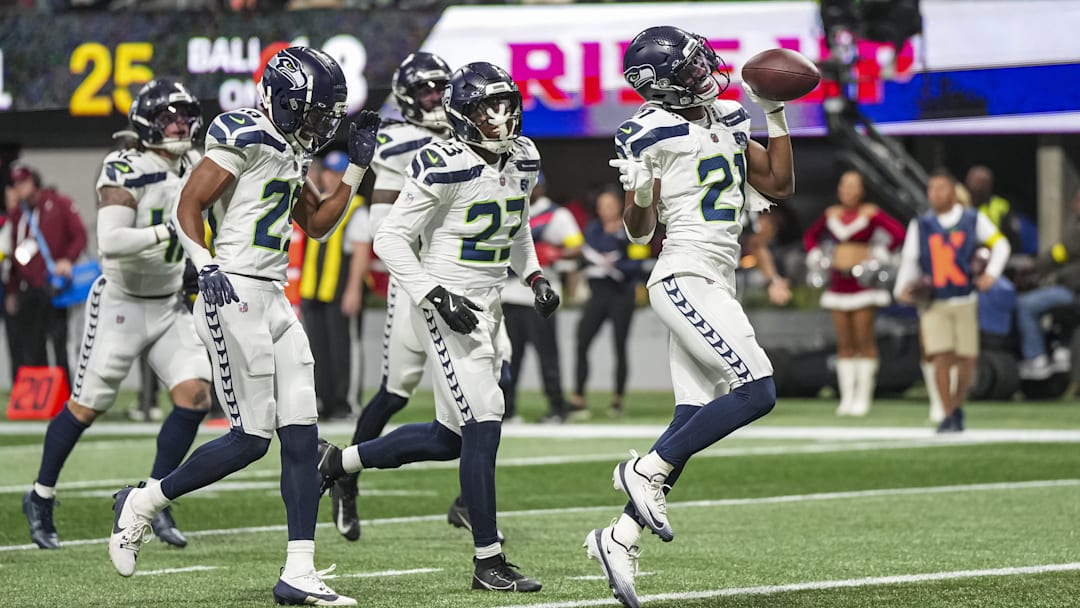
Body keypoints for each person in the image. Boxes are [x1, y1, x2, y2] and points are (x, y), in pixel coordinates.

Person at [106, 46, 379, 607]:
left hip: (274, 295)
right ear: (282, 98)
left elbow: (321, 225)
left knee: (302, 434)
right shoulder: (245, 133)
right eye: (314, 108)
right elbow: (189, 202)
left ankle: (297, 572)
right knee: (251, 440)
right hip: (232, 288)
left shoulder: (290, 146)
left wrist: (356, 167)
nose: (320, 121)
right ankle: (143, 502)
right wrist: (204, 263)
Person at [317, 61, 556, 593]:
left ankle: (337, 461)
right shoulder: (439, 160)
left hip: (489, 301)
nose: (499, 118)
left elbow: (514, 224)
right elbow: (388, 239)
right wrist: (434, 293)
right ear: (462, 116)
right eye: (484, 109)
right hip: (444, 300)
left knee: (450, 437)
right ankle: (488, 560)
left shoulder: (524, 156)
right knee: (485, 417)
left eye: (505, 105)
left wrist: (534, 273)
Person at [583, 26, 792, 608]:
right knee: (757, 390)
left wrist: (774, 112)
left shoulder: (726, 115)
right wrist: (643, 193)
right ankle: (644, 469)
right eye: (692, 69)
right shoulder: (645, 131)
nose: (706, 73)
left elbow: (778, 181)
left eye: (702, 63)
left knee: (693, 418)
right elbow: (638, 230)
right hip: (683, 273)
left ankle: (618, 537)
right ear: (662, 86)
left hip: (718, 278)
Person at [21, 81, 213, 551]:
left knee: (195, 395)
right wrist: (166, 231)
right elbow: (111, 241)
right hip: (121, 303)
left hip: (167, 301)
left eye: (184, 115)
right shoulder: (125, 166)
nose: (180, 125)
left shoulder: (191, 161)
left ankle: (150, 500)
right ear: (147, 122)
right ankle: (40, 495)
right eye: (169, 118)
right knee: (87, 406)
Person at [330, 51, 456, 542]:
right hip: (417, 283)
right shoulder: (400, 140)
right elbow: (382, 225)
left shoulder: (471, 135)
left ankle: (470, 504)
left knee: (498, 383)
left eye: (441, 89)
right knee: (395, 392)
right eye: (425, 90)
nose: (435, 99)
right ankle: (346, 477)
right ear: (406, 96)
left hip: (466, 284)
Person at [895, 170, 1010, 433]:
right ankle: (947, 411)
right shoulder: (921, 224)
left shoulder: (972, 219)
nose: (935, 194)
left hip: (964, 297)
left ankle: (957, 407)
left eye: (941, 188)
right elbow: (911, 260)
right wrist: (902, 288)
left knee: (967, 359)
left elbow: (1000, 245)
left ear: (954, 192)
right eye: (931, 189)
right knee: (941, 357)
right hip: (935, 301)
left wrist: (991, 274)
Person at [803, 170, 905, 416]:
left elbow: (899, 233)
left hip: (863, 284)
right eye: (844, 185)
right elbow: (810, 237)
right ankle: (846, 397)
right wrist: (817, 255)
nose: (848, 190)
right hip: (838, 283)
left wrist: (879, 254)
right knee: (844, 343)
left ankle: (864, 396)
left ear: (862, 190)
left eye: (853, 186)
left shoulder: (870, 213)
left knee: (863, 340)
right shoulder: (831, 214)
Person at [501, 171, 583, 423]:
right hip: (508, 294)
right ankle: (507, 410)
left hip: (540, 297)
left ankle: (557, 408)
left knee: (547, 356)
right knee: (508, 358)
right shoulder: (509, 210)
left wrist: (556, 254)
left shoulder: (556, 214)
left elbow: (577, 246)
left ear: (542, 187)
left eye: (532, 185)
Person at [570, 186, 650, 419]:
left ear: (618, 206)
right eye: (601, 206)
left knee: (619, 346)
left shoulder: (629, 230)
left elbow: (638, 263)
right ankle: (578, 399)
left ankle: (617, 400)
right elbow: (584, 256)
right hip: (598, 293)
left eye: (610, 205)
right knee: (582, 341)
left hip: (621, 294)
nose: (605, 210)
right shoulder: (593, 229)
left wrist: (614, 264)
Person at [5, 163, 88, 386]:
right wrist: (12, 290)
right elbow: (13, 254)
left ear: (34, 181)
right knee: (33, 343)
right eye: (16, 183)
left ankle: (69, 393)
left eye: (23, 182)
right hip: (29, 287)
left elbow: (80, 236)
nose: (19, 187)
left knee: (63, 342)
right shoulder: (17, 214)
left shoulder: (59, 204)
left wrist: (67, 260)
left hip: (56, 286)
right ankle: (39, 396)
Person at [300, 149, 364, 421]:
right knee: (315, 348)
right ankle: (323, 400)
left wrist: (354, 289)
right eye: (330, 172)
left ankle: (343, 402)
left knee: (341, 348)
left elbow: (361, 251)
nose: (334, 178)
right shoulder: (310, 202)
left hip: (338, 288)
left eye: (340, 173)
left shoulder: (356, 205)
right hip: (311, 287)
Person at [1014, 189, 1080, 380]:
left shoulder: (1077, 231)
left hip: (1073, 293)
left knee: (1024, 305)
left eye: (1077, 200)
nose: (1073, 204)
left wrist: (1035, 267)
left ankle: (1036, 359)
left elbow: (1059, 253)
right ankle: (1062, 349)